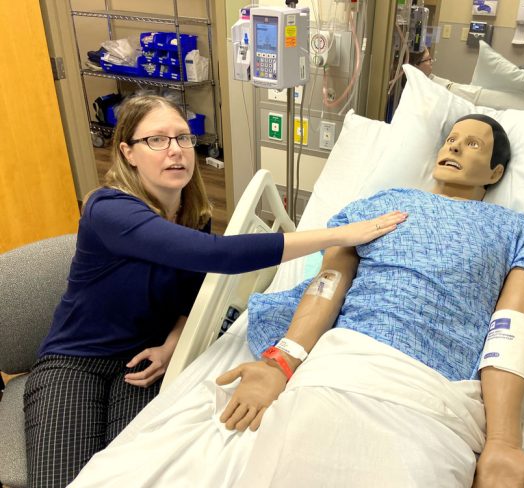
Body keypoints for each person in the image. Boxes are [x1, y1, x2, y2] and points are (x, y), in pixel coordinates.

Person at [69, 114, 524, 488]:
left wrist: (502, 441)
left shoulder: (518, 229)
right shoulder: (383, 205)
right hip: (344, 366)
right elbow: (330, 282)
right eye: (450, 138)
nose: (453, 147)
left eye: (473, 144)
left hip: (436, 393)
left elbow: (513, 329)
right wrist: (282, 358)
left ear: (496, 173)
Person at [23, 94, 407, 488]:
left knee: (131, 475)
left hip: (143, 362)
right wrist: (340, 234)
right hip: (76, 361)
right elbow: (216, 256)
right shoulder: (108, 209)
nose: (176, 151)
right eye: (157, 140)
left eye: (183, 138)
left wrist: (172, 345)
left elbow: (190, 296)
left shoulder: (192, 216)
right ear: (128, 152)